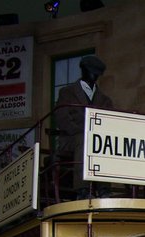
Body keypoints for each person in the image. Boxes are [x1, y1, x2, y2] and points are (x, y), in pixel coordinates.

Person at [54, 54, 114, 199]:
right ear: (84, 71)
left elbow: (110, 122)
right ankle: (82, 189)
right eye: (91, 71)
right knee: (85, 139)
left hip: (95, 140)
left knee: (104, 142)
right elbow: (62, 118)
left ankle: (104, 188)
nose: (94, 76)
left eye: (96, 73)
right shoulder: (67, 93)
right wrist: (85, 131)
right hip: (72, 139)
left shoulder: (105, 100)